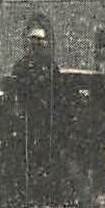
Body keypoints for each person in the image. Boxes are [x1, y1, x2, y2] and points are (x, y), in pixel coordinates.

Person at [10, 25, 64, 198]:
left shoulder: (50, 66)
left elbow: (58, 90)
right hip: (26, 115)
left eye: (39, 42)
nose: (36, 46)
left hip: (46, 116)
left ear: (44, 44)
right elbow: (15, 88)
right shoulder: (21, 65)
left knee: (49, 149)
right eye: (33, 42)